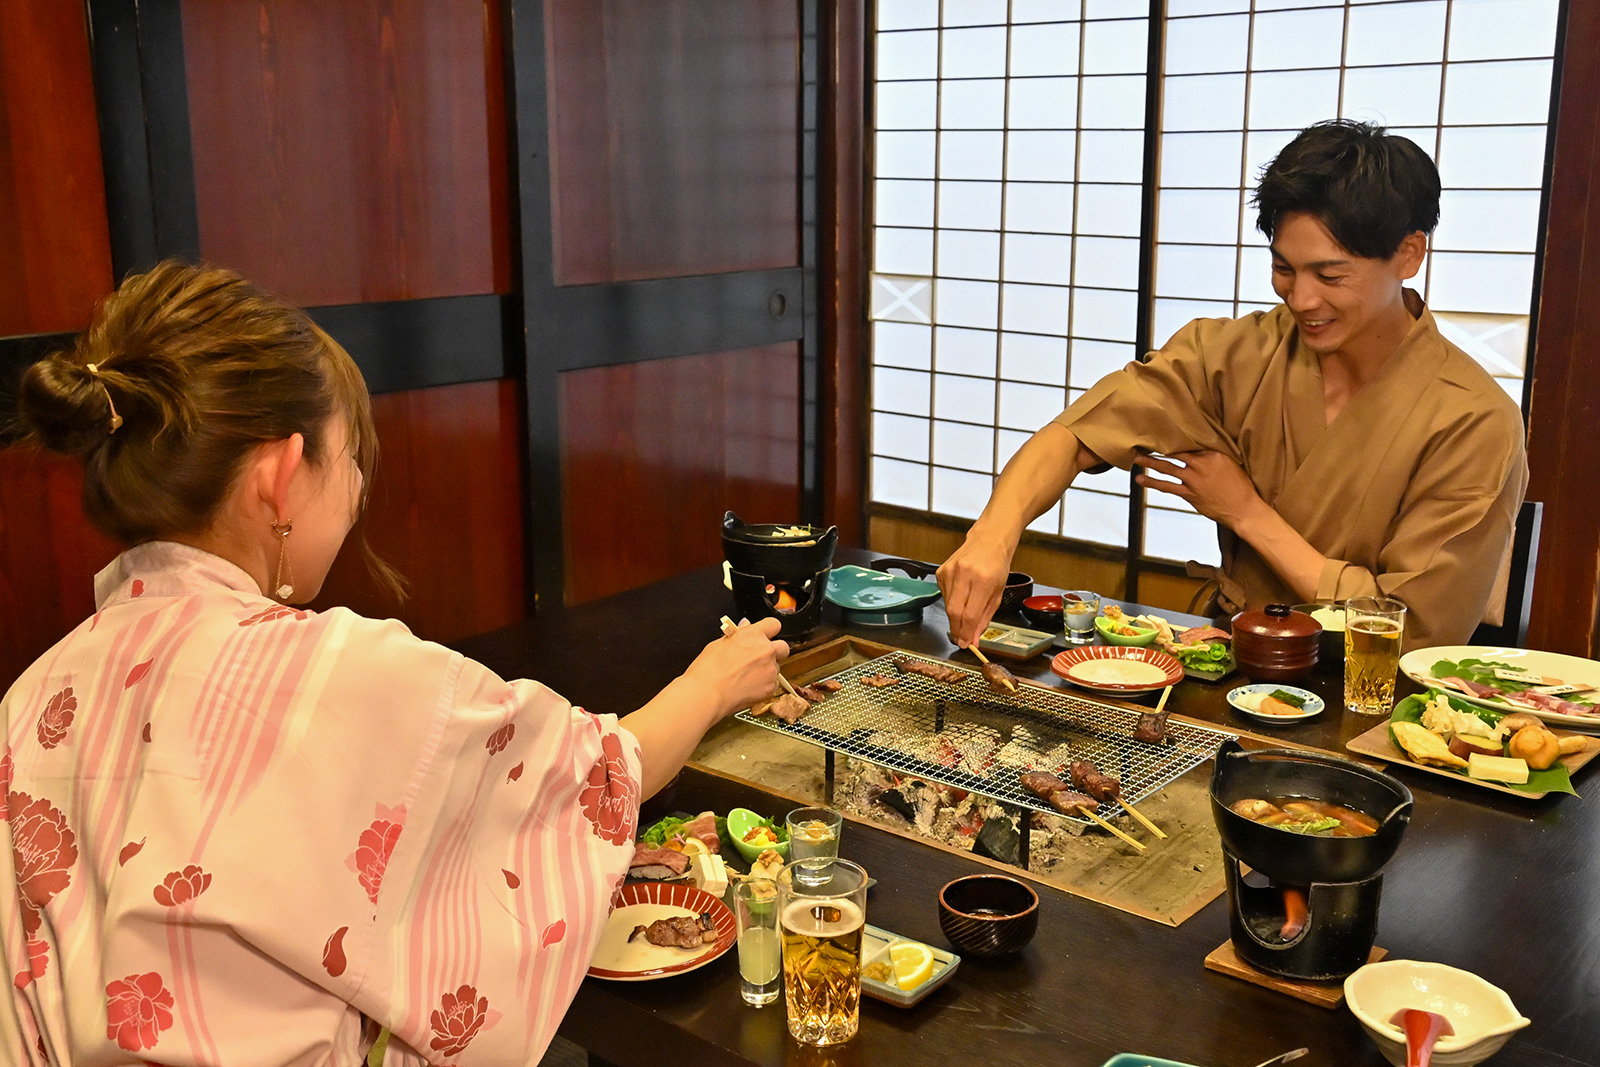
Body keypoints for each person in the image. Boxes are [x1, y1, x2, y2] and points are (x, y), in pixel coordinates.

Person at [0, 261, 788, 1065]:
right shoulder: (328, 672)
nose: (356, 488)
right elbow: (590, 777)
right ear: (280, 475)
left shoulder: (30, 697)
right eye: (348, 458)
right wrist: (713, 682)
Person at [938, 119, 1528, 651]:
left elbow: (1408, 628)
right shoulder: (1235, 355)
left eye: (1330, 275)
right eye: (1283, 269)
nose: (1302, 299)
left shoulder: (1473, 419)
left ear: (1409, 254)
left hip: (1364, 696)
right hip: (1228, 658)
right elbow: (1076, 435)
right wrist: (993, 535)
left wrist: (1247, 514)